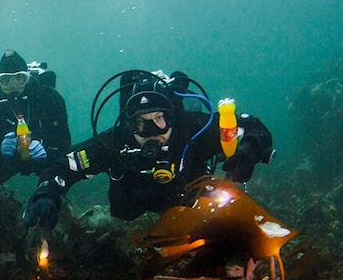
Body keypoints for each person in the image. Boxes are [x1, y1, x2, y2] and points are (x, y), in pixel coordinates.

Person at [22, 70, 274, 228]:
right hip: (131, 209)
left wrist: (248, 153)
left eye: (160, 119)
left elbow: (253, 127)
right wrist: (46, 193)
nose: (152, 130)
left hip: (193, 207)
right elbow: (64, 165)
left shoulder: (194, 130)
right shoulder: (116, 142)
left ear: (173, 117)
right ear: (129, 124)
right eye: (141, 123)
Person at [0, 50, 72, 184]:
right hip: (4, 160)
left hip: (41, 156)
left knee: (58, 172)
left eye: (20, 78)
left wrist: (46, 149)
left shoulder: (50, 98)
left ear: (28, 78)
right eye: (5, 80)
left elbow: (64, 143)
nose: (13, 86)